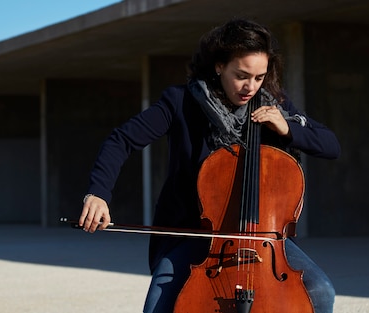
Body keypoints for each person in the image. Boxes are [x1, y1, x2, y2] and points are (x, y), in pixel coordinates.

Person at [78, 18, 340, 313]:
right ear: (219, 66)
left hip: (262, 240)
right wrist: (98, 193)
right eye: (241, 75)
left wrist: (289, 129)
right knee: (158, 307)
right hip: (193, 234)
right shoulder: (180, 102)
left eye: (259, 77)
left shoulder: (273, 106)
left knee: (320, 291)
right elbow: (121, 139)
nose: (250, 87)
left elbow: (331, 145)